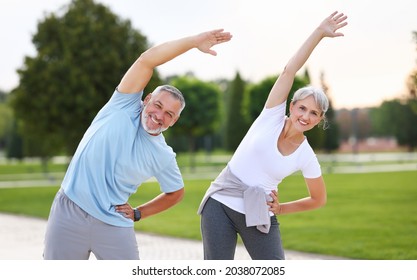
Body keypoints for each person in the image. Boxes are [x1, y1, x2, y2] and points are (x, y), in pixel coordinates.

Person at [43, 28, 232, 260]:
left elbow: (176, 193)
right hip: (69, 211)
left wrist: (139, 213)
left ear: (174, 121)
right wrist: (193, 42)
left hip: (113, 224)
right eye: (158, 106)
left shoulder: (163, 155)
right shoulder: (122, 104)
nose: (160, 116)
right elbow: (147, 60)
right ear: (147, 99)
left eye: (169, 114)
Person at [198, 11, 348, 260]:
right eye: (302, 108)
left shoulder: (306, 156)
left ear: (319, 120)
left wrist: (281, 208)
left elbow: (318, 199)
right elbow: (289, 70)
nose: (306, 116)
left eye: (314, 113)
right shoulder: (271, 116)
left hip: (258, 213)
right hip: (220, 204)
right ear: (291, 106)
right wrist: (319, 33)